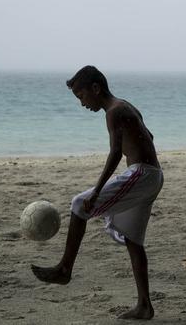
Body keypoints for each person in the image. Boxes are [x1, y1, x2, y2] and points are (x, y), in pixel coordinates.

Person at [32, 65, 164, 320]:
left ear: (95, 88)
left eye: (82, 97)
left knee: (80, 204)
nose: (82, 104)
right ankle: (145, 306)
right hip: (151, 175)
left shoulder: (114, 112)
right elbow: (149, 135)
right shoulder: (125, 106)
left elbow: (115, 153)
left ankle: (64, 269)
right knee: (133, 241)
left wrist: (99, 190)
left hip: (143, 174)